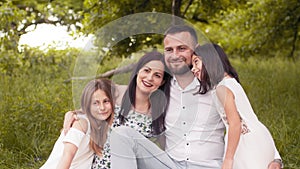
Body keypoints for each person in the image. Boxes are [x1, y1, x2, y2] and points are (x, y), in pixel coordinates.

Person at [191, 43, 283, 169]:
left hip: (246, 144)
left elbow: (235, 124)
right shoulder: (231, 82)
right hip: (262, 138)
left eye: (196, 62)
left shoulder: (221, 89)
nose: (193, 68)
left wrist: (228, 159)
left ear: (210, 59)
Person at [91, 51, 173, 169]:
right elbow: (90, 108)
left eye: (157, 75)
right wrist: (72, 115)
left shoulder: (157, 112)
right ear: (138, 70)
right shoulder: (117, 93)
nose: (150, 78)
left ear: (162, 82)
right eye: (146, 70)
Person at [40, 78, 116, 169]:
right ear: (87, 105)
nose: (102, 107)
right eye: (96, 103)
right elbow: (67, 155)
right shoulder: (81, 123)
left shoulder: (104, 124)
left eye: (106, 101)